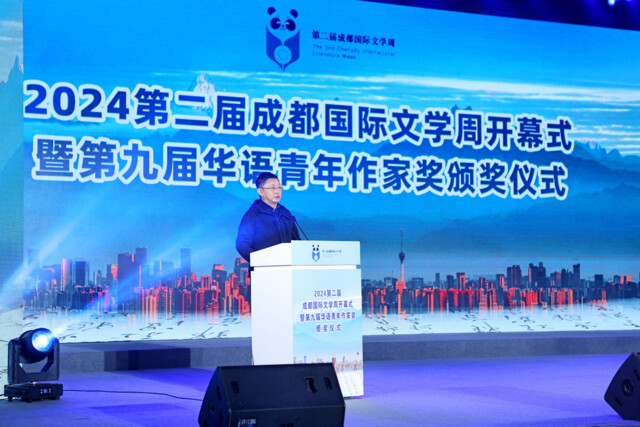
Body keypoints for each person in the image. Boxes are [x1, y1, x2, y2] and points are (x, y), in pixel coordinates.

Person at [236, 172, 301, 264]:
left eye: (279, 187)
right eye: (272, 188)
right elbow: (242, 244)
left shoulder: (285, 213)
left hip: (287, 267)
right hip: (263, 269)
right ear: (260, 191)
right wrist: (260, 261)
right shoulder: (253, 214)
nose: (277, 191)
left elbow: (296, 241)